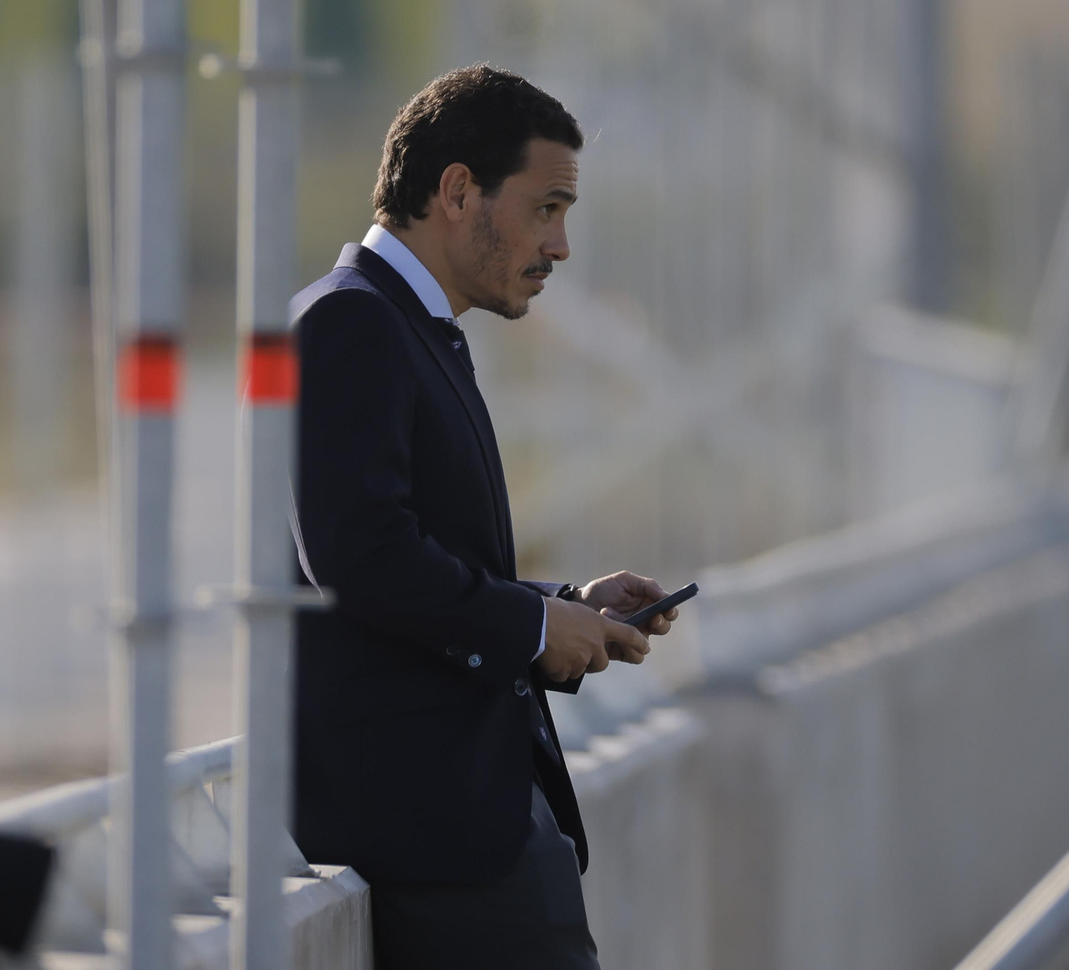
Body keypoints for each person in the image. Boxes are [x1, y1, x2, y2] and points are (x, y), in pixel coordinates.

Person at [288, 64, 678, 969]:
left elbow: (414, 556)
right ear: (458, 191)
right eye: (546, 208)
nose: (561, 246)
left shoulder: (403, 326)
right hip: (429, 837)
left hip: (465, 826)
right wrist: (532, 627)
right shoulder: (352, 323)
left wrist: (565, 608)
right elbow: (357, 554)